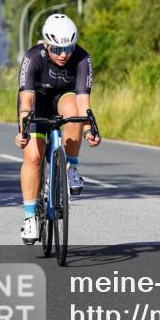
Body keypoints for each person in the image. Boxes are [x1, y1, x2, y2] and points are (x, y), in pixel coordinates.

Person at [14, 14, 100, 244]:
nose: (64, 54)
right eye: (57, 49)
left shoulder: (82, 58)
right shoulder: (33, 57)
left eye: (69, 48)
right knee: (33, 156)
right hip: (37, 101)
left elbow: (83, 101)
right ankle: (30, 217)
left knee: (73, 110)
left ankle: (71, 166)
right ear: (46, 44)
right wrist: (22, 130)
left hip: (64, 98)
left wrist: (89, 129)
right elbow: (26, 103)